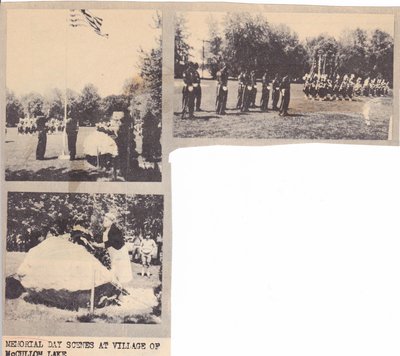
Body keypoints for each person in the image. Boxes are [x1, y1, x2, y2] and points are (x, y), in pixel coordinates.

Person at [92, 212, 133, 286]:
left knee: (118, 273)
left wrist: (97, 245)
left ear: (111, 222)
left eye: (106, 221)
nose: (104, 222)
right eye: (104, 220)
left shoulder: (114, 230)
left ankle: (119, 293)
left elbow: (109, 243)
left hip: (119, 253)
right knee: (114, 273)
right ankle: (117, 292)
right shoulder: (107, 230)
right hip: (113, 253)